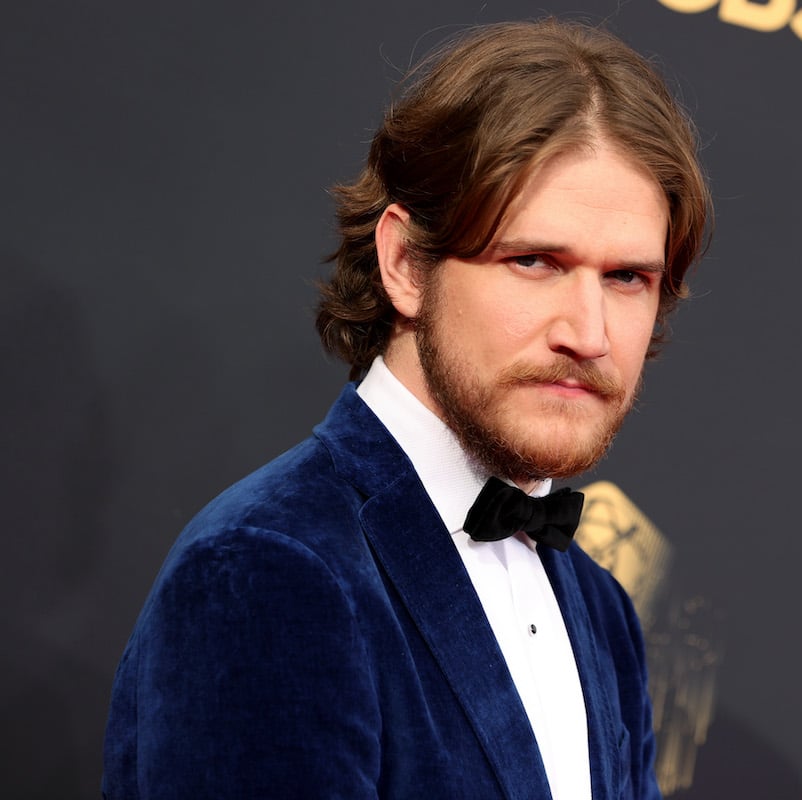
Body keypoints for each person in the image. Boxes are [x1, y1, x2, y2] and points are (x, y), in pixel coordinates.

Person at [102, 18, 710, 800]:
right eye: (532, 261)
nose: (588, 335)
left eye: (627, 278)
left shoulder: (601, 607)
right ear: (404, 264)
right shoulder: (271, 567)